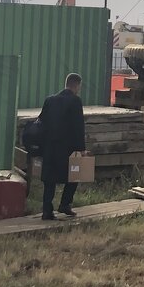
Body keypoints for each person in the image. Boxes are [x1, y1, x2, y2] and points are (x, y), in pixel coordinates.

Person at [38, 72, 87, 220]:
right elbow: (79, 127)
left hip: (50, 148)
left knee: (49, 180)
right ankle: (65, 204)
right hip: (67, 149)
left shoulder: (50, 100)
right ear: (77, 85)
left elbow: (41, 122)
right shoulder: (75, 101)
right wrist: (81, 149)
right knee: (75, 175)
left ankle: (47, 211)